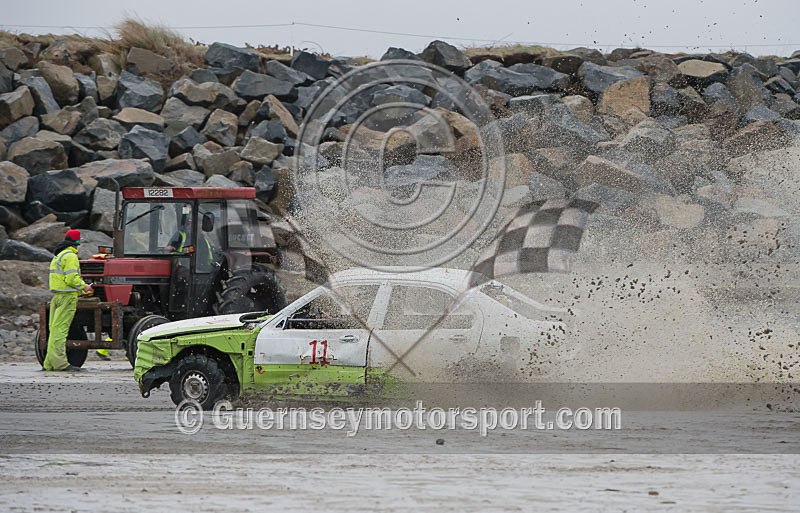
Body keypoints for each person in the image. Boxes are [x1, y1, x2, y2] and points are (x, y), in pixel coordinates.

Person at [43, 230, 93, 371]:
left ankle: (49, 363)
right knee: (61, 331)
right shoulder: (71, 256)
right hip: (67, 297)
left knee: (53, 330)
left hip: (57, 296)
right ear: (77, 243)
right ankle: (61, 364)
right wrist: (85, 287)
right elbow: (71, 279)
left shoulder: (58, 256)